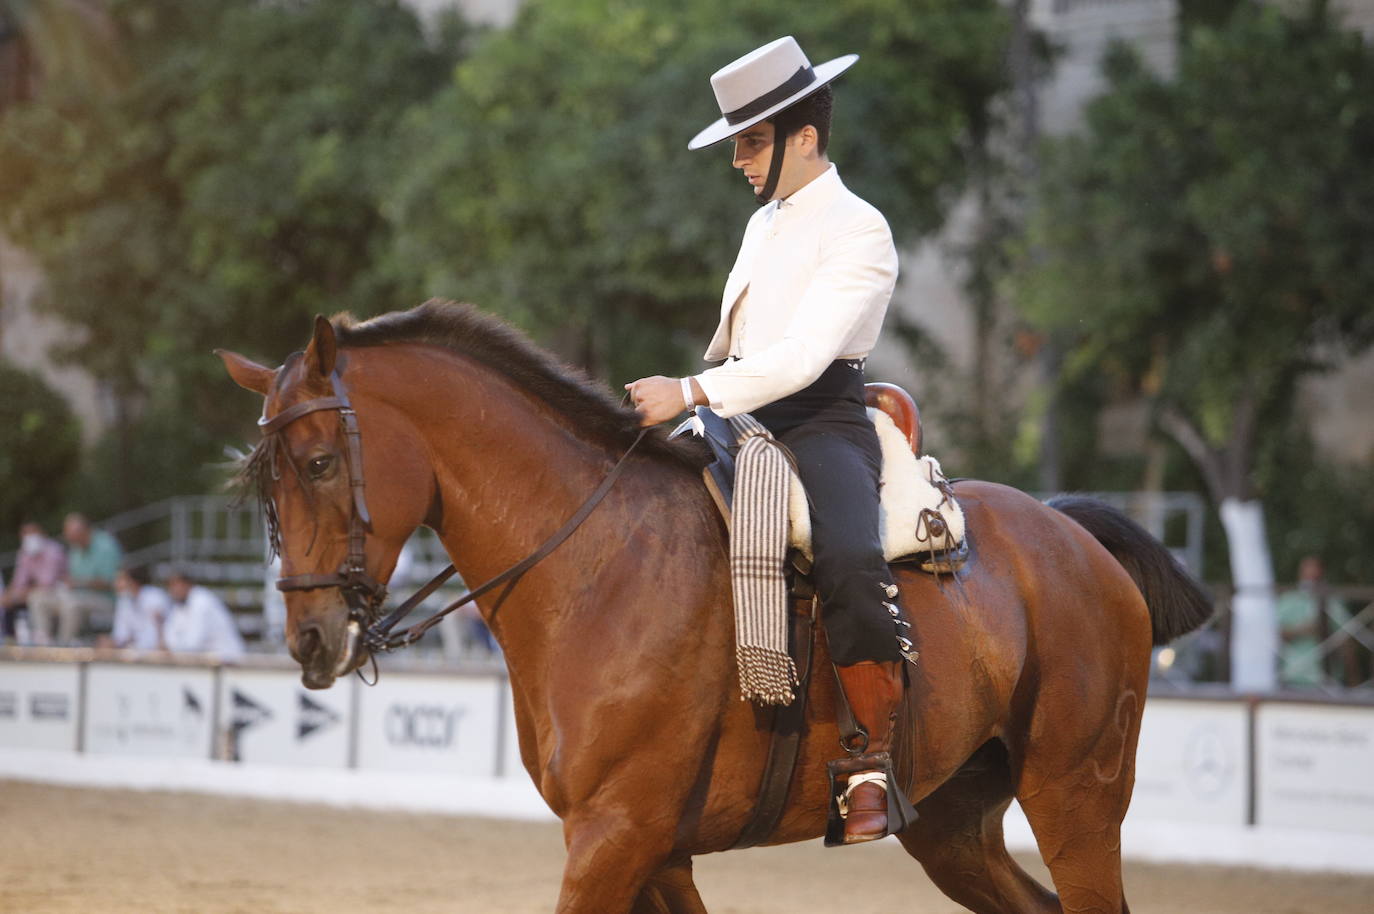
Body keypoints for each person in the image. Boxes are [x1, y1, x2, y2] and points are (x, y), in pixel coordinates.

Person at [625, 36, 911, 844]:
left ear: (805, 138)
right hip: (740, 409)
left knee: (850, 559)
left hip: (821, 418)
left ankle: (870, 763)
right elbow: (746, 351)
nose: (739, 160)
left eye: (750, 142)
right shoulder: (765, 224)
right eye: (737, 143)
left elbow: (805, 358)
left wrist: (688, 391)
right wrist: (697, 402)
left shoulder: (862, 230)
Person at [30, 513, 122, 644]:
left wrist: (79, 583)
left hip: (104, 600)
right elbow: (71, 578)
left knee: (72, 605)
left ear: (83, 531)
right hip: (77, 595)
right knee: (38, 598)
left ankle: (63, 647)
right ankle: (42, 642)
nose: (68, 538)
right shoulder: (75, 548)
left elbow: (111, 582)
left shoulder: (106, 546)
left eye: (70, 534)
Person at [1275, 555, 1352, 688]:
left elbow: (1348, 639)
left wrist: (1353, 681)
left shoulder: (1334, 601)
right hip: (1292, 678)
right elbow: (1271, 634)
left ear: (1322, 573)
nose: (1312, 575)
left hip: (1328, 680)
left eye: (1315, 571)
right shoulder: (1287, 600)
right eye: (1308, 571)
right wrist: (1303, 630)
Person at [3, 521, 67, 645]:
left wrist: (19, 594)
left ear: (42, 534)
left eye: (32, 533)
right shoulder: (24, 553)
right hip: (34, 592)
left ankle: (43, 639)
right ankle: (10, 640)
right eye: (25, 534)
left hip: (58, 593)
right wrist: (9, 595)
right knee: (8, 601)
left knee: (35, 598)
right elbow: (19, 581)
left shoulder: (54, 551)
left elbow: (47, 583)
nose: (29, 537)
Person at [163, 570, 246, 662]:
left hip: (228, 660)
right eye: (170, 586)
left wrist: (173, 650)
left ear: (187, 584)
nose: (173, 590)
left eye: (176, 585)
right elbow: (170, 635)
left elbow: (195, 641)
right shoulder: (179, 605)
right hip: (206, 661)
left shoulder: (202, 601)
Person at [103, 566, 171, 652]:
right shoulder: (124, 600)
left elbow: (158, 634)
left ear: (133, 581)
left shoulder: (155, 597)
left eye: (120, 580)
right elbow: (121, 634)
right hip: (134, 651)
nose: (116, 583)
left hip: (157, 651)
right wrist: (112, 642)